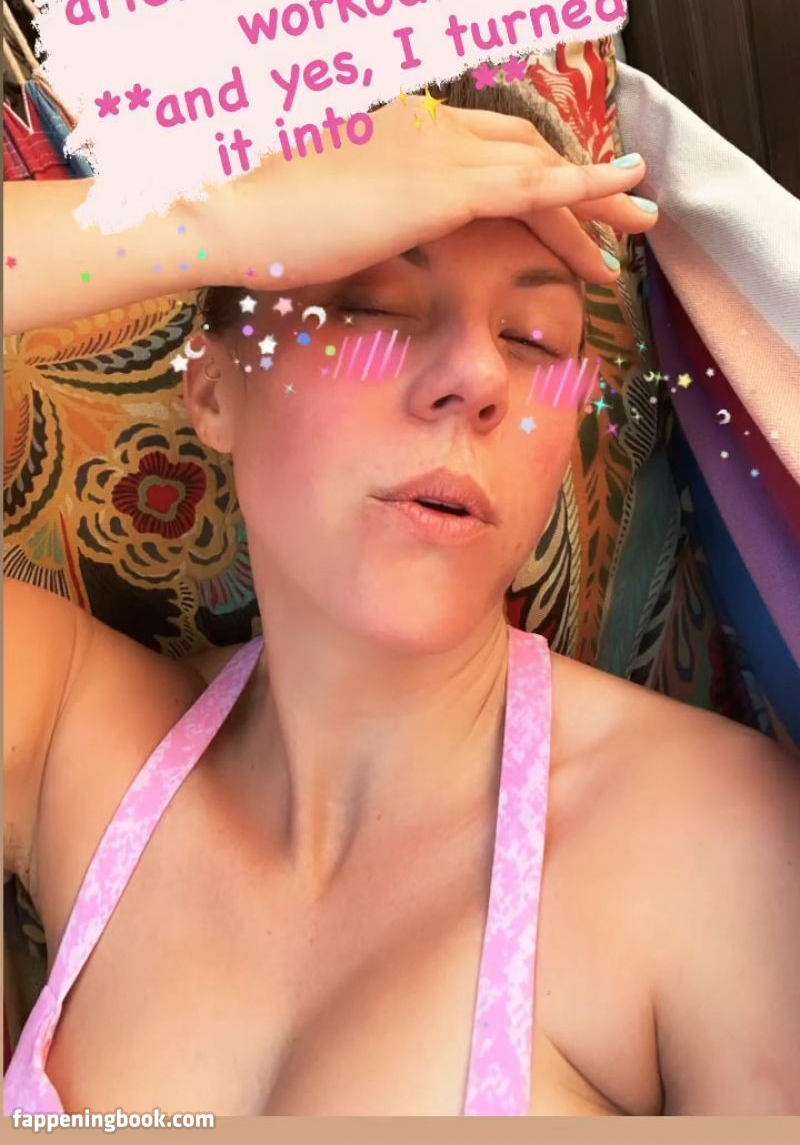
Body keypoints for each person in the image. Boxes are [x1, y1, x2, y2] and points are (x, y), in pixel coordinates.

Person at [3, 77, 799, 1118]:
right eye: (370, 305)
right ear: (213, 388)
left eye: (533, 341)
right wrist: (222, 217)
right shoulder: (67, 732)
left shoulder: (715, 844)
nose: (478, 377)